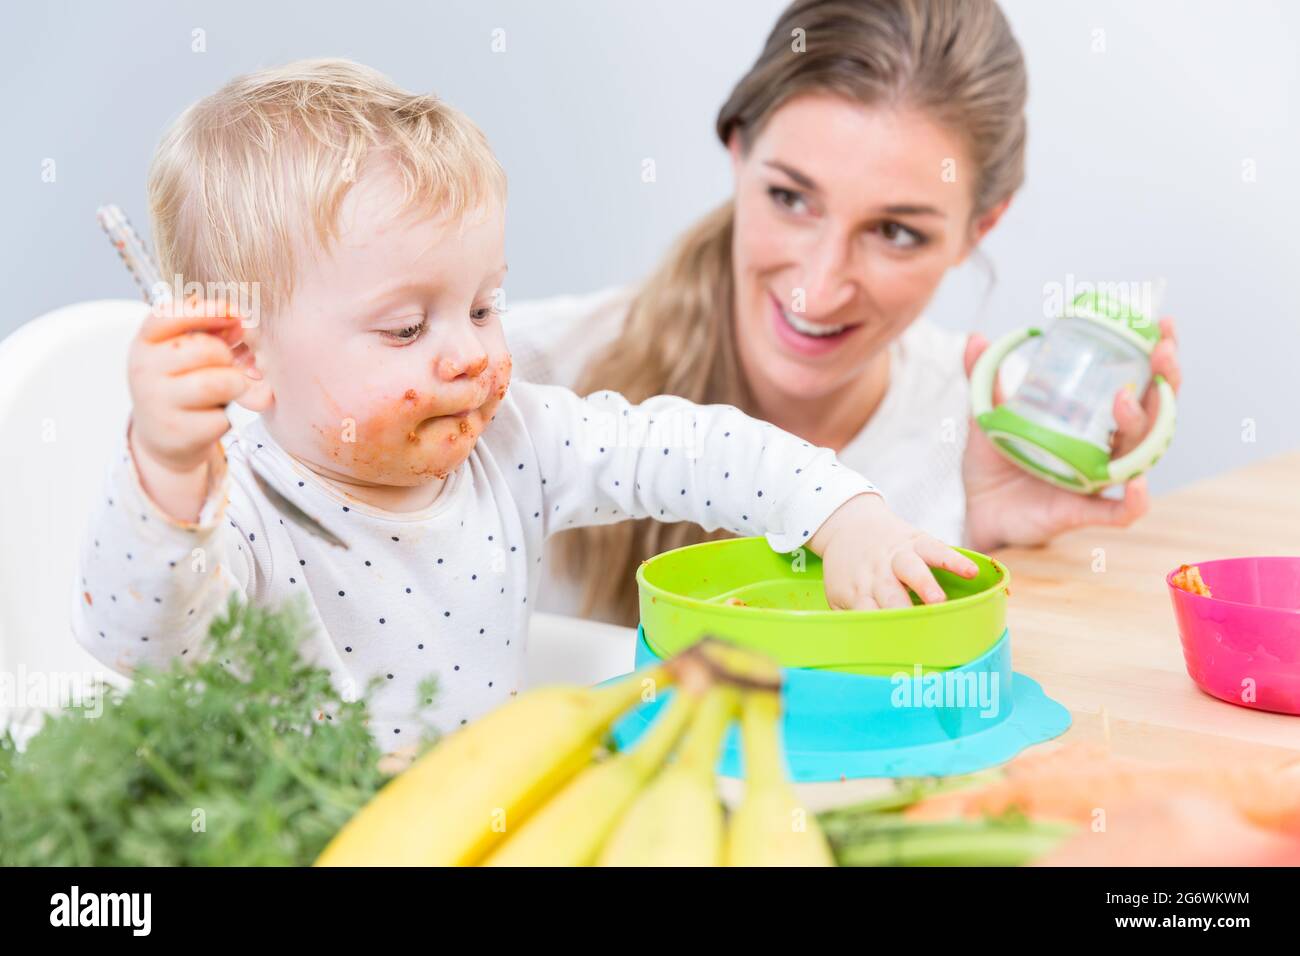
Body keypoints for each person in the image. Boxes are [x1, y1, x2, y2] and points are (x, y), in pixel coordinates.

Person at [71, 58, 976, 742]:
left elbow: (693, 450)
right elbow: (138, 641)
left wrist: (842, 515)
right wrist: (166, 473)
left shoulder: (513, 441)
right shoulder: (242, 511)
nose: (469, 353)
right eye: (404, 330)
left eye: (481, 305)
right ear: (246, 358)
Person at [507, 0, 1181, 624]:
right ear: (739, 150)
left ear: (980, 228)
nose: (820, 288)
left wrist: (993, 549)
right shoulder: (517, 380)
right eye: (791, 199)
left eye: (895, 232)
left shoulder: (986, 442)